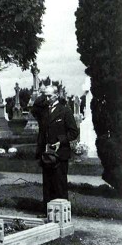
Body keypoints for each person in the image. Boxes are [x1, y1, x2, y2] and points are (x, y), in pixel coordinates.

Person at [34, 85, 79, 213]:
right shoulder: (43, 112)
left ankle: (62, 215)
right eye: (45, 96)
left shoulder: (65, 111)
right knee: (47, 186)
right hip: (46, 154)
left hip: (60, 154)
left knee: (60, 185)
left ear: (57, 95)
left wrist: (61, 140)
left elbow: (74, 132)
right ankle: (47, 213)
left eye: (49, 96)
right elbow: (35, 109)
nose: (47, 98)